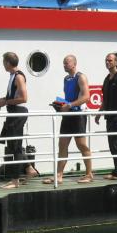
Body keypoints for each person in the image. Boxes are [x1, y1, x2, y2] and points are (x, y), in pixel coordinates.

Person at [44, 55, 95, 185]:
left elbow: (86, 97)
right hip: (68, 115)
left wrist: (70, 105)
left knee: (81, 145)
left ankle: (89, 174)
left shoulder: (81, 77)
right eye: (63, 63)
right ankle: (59, 175)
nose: (64, 65)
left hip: (78, 115)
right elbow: (69, 98)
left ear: (74, 64)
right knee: (62, 144)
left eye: (66, 63)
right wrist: (61, 105)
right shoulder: (66, 79)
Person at [0, 52, 39, 187]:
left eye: (4, 62)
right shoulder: (13, 76)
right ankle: (29, 168)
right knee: (14, 145)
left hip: (18, 113)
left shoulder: (19, 77)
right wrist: (3, 100)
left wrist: (5, 102)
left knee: (15, 147)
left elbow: (24, 98)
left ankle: (15, 180)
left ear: (8, 63)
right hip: (13, 112)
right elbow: (13, 95)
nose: (3, 64)